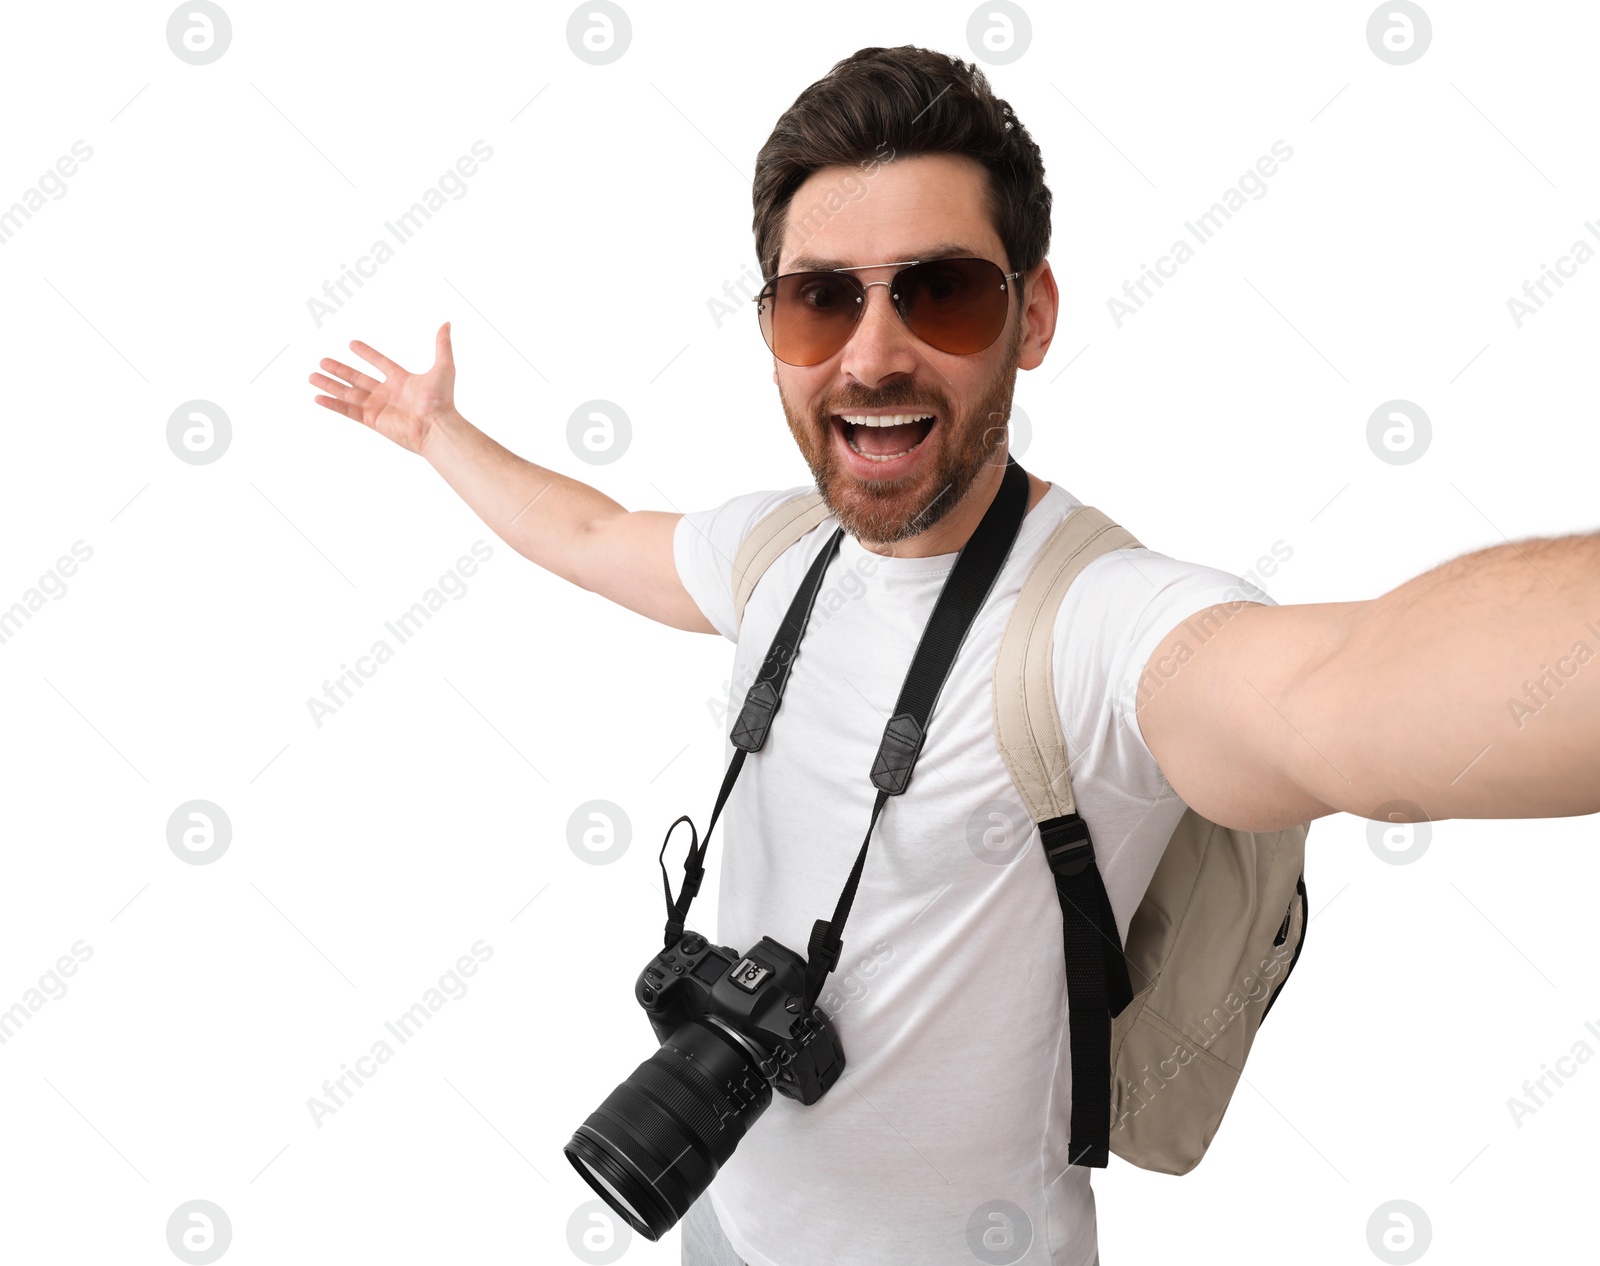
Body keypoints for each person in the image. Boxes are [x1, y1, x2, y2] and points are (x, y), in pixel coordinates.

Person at [309, 45, 1599, 1266]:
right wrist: (436, 435)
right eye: (820, 301)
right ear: (772, 327)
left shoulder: (1097, 627)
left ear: (1030, 314)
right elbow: (588, 529)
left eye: (941, 291)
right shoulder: (777, 553)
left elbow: (1342, 699)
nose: (871, 354)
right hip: (725, 1226)